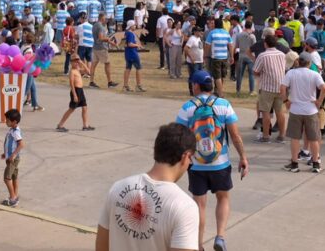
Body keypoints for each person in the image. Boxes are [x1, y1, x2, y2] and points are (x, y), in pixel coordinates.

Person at [96, 123, 200, 251]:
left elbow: (101, 246)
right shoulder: (185, 207)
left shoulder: (117, 188)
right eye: (191, 159)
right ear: (185, 157)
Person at [175, 70, 248, 251]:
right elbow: (235, 135)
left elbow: (179, 136)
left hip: (196, 164)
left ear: (197, 86)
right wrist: (243, 157)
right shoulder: (224, 105)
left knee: (199, 204)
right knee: (223, 198)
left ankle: (198, 245)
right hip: (220, 163)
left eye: (193, 83)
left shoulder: (187, 107)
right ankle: (220, 236)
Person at [280, 53, 325, 173]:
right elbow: (324, 88)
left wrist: (286, 100)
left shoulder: (291, 73)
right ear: (309, 63)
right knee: (313, 138)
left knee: (295, 138)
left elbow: (282, 88)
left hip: (295, 109)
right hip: (310, 110)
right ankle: (316, 163)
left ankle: (294, 163)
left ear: (298, 62)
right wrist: (319, 101)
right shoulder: (314, 74)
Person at [252, 34, 287, 143]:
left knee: (265, 113)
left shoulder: (262, 55)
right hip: (280, 86)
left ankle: (266, 136)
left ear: (265, 44)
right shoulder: (282, 54)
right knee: (280, 112)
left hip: (267, 87)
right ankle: (281, 135)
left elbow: (256, 71)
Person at [57, 55, 93, 131]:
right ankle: (60, 125)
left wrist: (82, 63)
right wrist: (75, 95)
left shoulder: (78, 70)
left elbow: (88, 72)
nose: (76, 63)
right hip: (76, 91)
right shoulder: (72, 72)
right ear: (71, 62)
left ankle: (85, 125)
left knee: (84, 108)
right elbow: (71, 84)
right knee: (71, 109)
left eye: (77, 61)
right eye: (74, 61)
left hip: (81, 91)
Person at [0, 108, 23, 207]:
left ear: (14, 122)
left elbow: (21, 144)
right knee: (14, 177)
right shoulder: (12, 130)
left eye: (8, 120)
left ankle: (13, 198)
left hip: (12, 159)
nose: (6, 121)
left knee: (6, 178)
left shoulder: (15, 132)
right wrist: (6, 153)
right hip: (11, 157)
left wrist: (12, 155)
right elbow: (9, 143)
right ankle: (14, 195)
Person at [205, 22, 234, 97]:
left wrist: (205, 55)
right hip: (225, 57)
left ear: (215, 25)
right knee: (222, 76)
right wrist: (232, 56)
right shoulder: (226, 33)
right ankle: (218, 91)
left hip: (216, 57)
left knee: (217, 76)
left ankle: (220, 94)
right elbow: (230, 45)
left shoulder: (212, 33)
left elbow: (207, 45)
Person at [89, 15, 117, 89]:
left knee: (93, 65)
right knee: (107, 63)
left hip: (95, 47)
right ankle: (110, 82)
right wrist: (109, 41)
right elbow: (101, 38)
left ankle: (91, 81)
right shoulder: (100, 26)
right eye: (105, 19)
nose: (106, 20)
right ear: (102, 18)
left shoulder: (94, 25)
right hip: (101, 48)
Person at [234, 21, 256, 95]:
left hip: (241, 55)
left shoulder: (239, 35)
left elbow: (236, 46)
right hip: (250, 56)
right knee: (251, 74)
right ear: (251, 26)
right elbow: (254, 47)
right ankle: (251, 91)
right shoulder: (252, 36)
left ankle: (238, 90)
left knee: (240, 74)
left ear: (244, 26)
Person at [122, 22, 144, 93]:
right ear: (131, 26)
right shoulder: (131, 34)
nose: (135, 26)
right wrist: (138, 45)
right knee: (138, 68)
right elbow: (130, 44)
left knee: (128, 69)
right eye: (134, 25)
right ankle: (138, 85)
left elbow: (126, 44)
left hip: (127, 54)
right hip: (133, 53)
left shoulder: (126, 33)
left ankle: (125, 85)